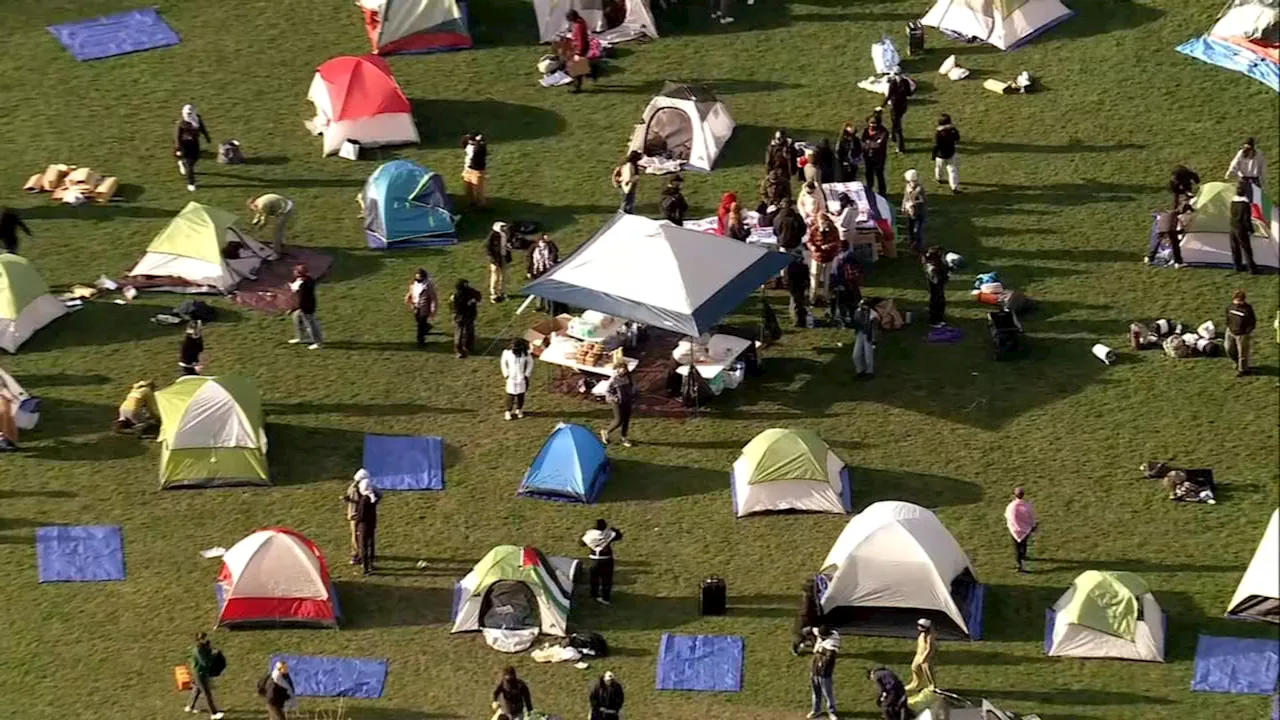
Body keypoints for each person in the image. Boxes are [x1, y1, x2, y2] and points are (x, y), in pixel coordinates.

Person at [185, 632, 226, 719]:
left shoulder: (204, 647)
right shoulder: (198, 650)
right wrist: (213, 656)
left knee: (197, 689)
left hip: (203, 672)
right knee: (207, 693)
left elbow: (208, 653)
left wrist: (212, 651)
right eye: (204, 638)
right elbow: (205, 662)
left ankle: (190, 707)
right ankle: (213, 714)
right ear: (200, 640)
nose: (207, 639)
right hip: (199, 673)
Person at [583, 518, 624, 604]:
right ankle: (605, 598)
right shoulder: (608, 534)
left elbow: (581, 543)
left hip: (594, 560)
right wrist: (614, 529)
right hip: (607, 560)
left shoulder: (590, 535)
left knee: (594, 578)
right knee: (607, 579)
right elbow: (618, 536)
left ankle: (594, 594)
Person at [174, 104, 211, 192]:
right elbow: (177, 136)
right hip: (184, 145)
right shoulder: (181, 123)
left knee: (196, 158)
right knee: (189, 164)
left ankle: (182, 162)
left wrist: (207, 137)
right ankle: (191, 183)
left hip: (194, 143)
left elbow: (202, 127)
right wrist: (178, 148)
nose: (189, 115)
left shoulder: (197, 118)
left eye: (190, 113)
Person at [806, 213, 841, 305]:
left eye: (824, 222)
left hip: (828, 256)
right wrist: (812, 247)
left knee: (826, 278)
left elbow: (837, 242)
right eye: (820, 222)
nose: (822, 224)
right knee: (814, 278)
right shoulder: (814, 229)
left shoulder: (833, 229)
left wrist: (829, 246)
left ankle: (826, 297)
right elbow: (809, 241)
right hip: (817, 256)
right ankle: (812, 298)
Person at [808, 626, 840, 720]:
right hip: (814, 669)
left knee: (828, 694)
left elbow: (830, 654)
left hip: (825, 672)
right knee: (816, 692)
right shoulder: (820, 633)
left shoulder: (833, 641)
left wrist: (818, 649)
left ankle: (832, 711)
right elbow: (808, 630)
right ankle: (816, 710)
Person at [600, 362, 635, 447]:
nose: (624, 371)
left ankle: (623, 438)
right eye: (622, 369)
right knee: (618, 420)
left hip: (627, 401)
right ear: (618, 369)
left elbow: (632, 386)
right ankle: (606, 432)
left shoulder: (628, 377)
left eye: (625, 369)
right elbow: (607, 392)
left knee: (626, 420)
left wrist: (633, 394)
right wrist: (615, 398)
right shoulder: (614, 380)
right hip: (617, 402)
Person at [1005, 486, 1038, 573]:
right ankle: (1023, 557)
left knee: (1017, 548)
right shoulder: (1027, 506)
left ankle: (1020, 564)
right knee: (1024, 544)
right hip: (1025, 530)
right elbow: (1032, 517)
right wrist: (1033, 525)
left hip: (1014, 530)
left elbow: (1008, 516)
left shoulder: (1011, 506)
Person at [288, 265, 322, 349]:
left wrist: (293, 308)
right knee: (297, 320)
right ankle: (301, 338)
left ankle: (318, 342)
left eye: (295, 271)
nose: (294, 272)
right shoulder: (306, 280)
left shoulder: (303, 283)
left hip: (305, 306)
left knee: (310, 324)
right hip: (304, 305)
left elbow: (300, 297)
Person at [1229, 181, 1259, 274]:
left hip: (1232, 226)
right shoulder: (1245, 204)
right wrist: (1251, 229)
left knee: (1235, 247)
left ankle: (1237, 266)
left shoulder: (1233, 201)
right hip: (1241, 228)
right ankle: (1251, 268)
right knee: (1246, 248)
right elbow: (1246, 219)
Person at [342, 469, 372, 565]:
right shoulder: (357, 487)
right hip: (355, 514)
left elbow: (359, 502)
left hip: (355, 515)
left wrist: (348, 499)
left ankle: (357, 555)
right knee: (356, 536)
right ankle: (359, 553)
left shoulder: (356, 487)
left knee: (356, 536)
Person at [354, 471, 380, 575]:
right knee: (371, 544)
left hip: (363, 525)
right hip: (372, 523)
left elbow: (360, 515)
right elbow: (378, 495)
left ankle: (365, 568)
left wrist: (356, 524)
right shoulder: (373, 499)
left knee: (363, 546)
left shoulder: (364, 500)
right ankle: (371, 564)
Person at [1225, 289, 1257, 377]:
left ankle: (1243, 370)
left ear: (1242, 300)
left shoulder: (1247, 309)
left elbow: (1252, 321)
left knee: (1242, 354)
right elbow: (1227, 316)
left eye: (1238, 300)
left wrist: (1247, 332)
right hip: (1230, 332)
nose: (1236, 302)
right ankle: (1237, 363)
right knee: (1229, 349)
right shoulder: (1231, 306)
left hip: (1242, 334)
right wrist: (1228, 326)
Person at [500, 338, 533, 420]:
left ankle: (519, 409)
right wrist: (506, 374)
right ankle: (508, 411)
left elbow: (530, 363)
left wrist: (526, 374)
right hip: (511, 377)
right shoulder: (507, 353)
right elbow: (503, 363)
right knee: (510, 395)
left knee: (521, 395)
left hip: (521, 377)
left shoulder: (525, 354)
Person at [404, 268, 438, 347]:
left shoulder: (428, 286)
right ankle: (427, 327)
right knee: (418, 320)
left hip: (424, 307)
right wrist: (408, 298)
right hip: (416, 306)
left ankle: (420, 340)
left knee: (420, 324)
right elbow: (411, 292)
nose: (418, 279)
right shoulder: (414, 284)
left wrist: (433, 309)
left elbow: (433, 299)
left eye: (420, 278)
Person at [449, 279, 482, 359]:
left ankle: (468, 347)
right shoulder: (456, 296)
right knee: (460, 334)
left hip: (469, 315)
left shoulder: (470, 292)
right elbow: (454, 307)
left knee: (469, 331)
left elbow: (478, 296)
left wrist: (473, 301)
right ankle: (460, 350)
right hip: (461, 316)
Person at [905, 619, 937, 693]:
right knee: (914, 668)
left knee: (927, 671)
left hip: (926, 656)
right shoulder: (923, 634)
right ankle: (916, 684)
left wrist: (924, 658)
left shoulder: (930, 636)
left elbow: (930, 648)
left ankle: (932, 687)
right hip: (919, 654)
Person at [792, 579, 822, 655]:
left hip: (808, 620)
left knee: (810, 635)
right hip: (806, 622)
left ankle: (814, 647)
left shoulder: (808, 597)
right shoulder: (807, 600)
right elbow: (805, 613)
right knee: (803, 636)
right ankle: (796, 648)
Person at [932, 114, 961, 193]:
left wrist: (933, 155)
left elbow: (936, 145)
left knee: (939, 168)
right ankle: (954, 187)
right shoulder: (952, 130)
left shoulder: (938, 133)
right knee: (952, 171)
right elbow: (957, 138)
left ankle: (939, 178)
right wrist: (954, 129)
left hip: (940, 155)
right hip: (951, 153)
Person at [861, 117, 889, 197]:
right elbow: (862, 143)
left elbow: (878, 145)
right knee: (869, 173)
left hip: (879, 158)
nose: (872, 125)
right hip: (867, 157)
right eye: (870, 123)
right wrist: (871, 144)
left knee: (879, 174)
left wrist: (868, 143)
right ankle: (869, 189)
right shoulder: (866, 131)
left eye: (874, 123)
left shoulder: (883, 132)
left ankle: (882, 192)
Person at [901, 169, 927, 256]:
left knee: (918, 231)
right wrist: (904, 206)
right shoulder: (908, 186)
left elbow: (923, 201)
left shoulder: (919, 190)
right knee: (910, 228)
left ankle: (919, 247)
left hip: (919, 212)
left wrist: (913, 203)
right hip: (910, 212)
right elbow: (905, 197)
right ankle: (911, 243)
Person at [851, 297, 878, 378]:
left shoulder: (873, 315)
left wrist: (873, 340)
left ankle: (869, 372)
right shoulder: (857, 311)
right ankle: (860, 371)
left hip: (868, 334)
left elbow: (874, 329)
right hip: (860, 333)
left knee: (868, 355)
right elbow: (856, 322)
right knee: (856, 355)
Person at [566, 10, 592, 94]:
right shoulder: (580, 21)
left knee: (576, 68)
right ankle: (590, 74)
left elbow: (581, 40)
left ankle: (577, 87)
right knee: (580, 65)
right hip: (581, 47)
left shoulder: (578, 26)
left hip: (580, 48)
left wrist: (578, 52)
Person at [923, 247, 949, 327]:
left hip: (938, 289)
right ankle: (934, 321)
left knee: (941, 303)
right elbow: (937, 281)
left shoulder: (936, 265)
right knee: (937, 304)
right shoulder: (932, 268)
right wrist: (946, 276)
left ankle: (940, 318)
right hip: (936, 290)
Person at [486, 222, 512, 303]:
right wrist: (493, 259)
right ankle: (493, 293)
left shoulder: (505, 234)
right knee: (495, 276)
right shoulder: (492, 235)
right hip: (495, 259)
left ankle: (502, 292)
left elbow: (508, 244)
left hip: (503, 257)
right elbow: (488, 247)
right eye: (502, 227)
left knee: (503, 276)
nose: (504, 228)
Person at [885, 75, 911, 154]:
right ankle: (893, 136)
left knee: (897, 127)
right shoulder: (905, 81)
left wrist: (882, 105)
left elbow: (889, 95)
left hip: (895, 107)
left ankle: (901, 147)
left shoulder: (893, 83)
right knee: (896, 122)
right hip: (903, 106)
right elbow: (909, 93)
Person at [786, 249, 811, 328]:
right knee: (799, 303)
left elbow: (789, 277)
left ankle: (798, 321)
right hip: (801, 287)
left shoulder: (792, 266)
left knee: (796, 304)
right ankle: (800, 320)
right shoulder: (804, 266)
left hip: (795, 287)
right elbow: (807, 278)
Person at [463, 133, 488, 207]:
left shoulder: (481, 147)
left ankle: (481, 206)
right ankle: (471, 203)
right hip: (467, 169)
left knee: (478, 190)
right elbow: (463, 141)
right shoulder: (469, 146)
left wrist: (478, 141)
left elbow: (477, 151)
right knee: (468, 189)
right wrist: (466, 136)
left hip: (477, 171)